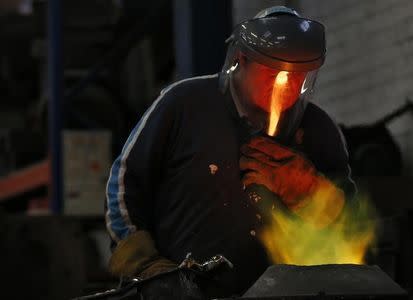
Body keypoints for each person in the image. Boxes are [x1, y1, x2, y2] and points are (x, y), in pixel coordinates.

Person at [105, 6, 356, 296]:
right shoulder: (184, 105)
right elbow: (124, 185)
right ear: (241, 60)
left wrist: (312, 193)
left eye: (296, 77)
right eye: (272, 73)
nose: (283, 87)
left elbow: (350, 232)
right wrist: (146, 265)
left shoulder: (319, 130)